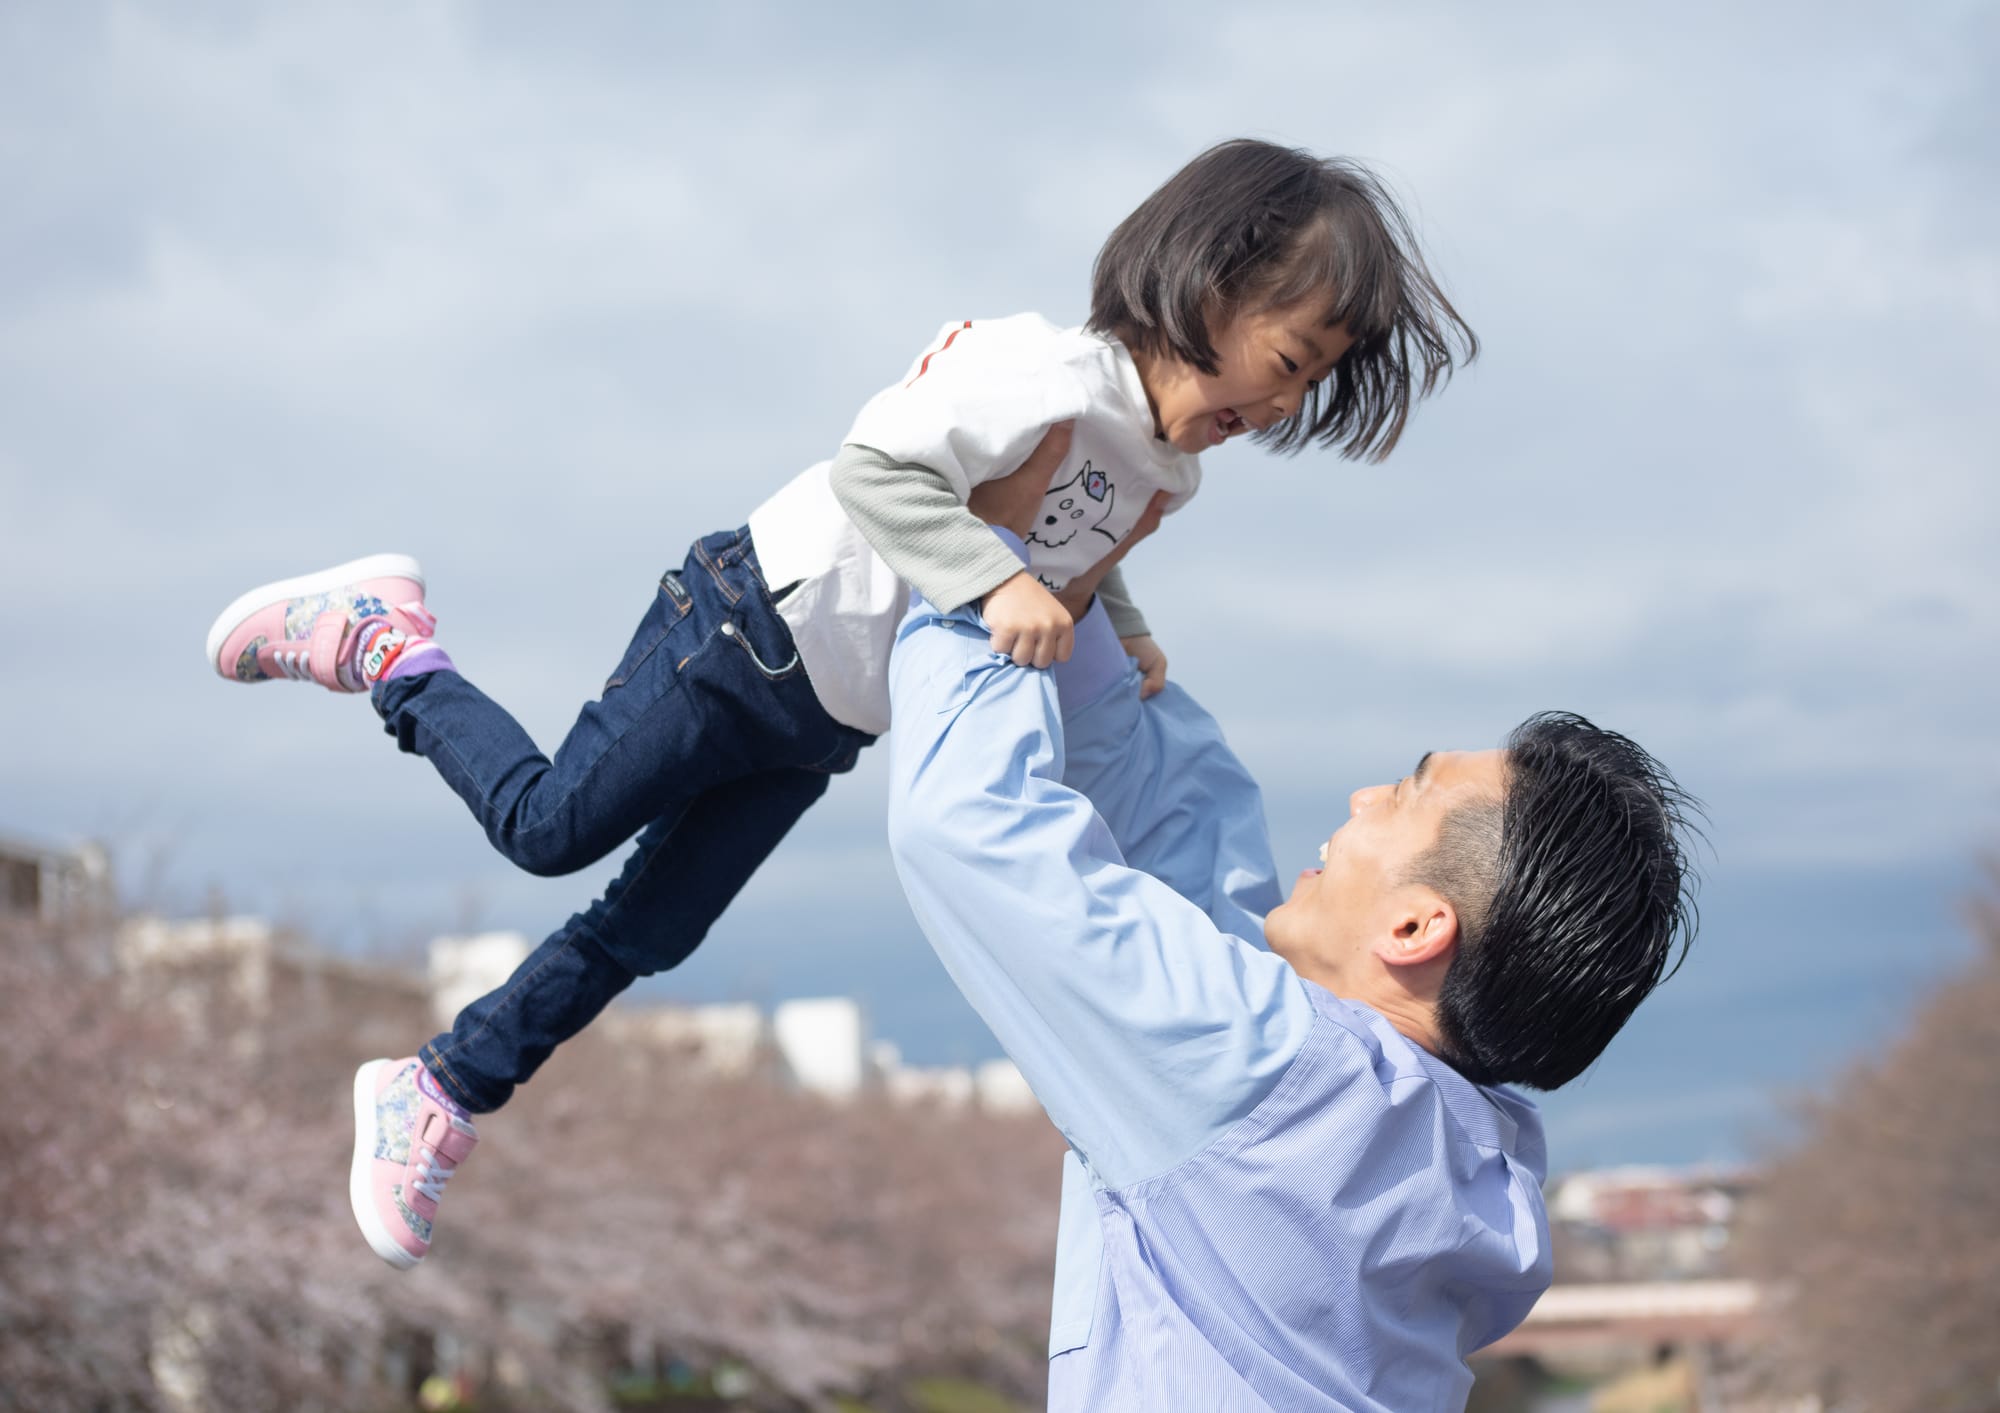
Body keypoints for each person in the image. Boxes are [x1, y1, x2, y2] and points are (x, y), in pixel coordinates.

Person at [200, 138, 1476, 1270]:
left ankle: (443, 1087)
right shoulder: (1034, 369)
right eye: (1287, 361)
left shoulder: (1164, 473)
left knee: (655, 930)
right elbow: (877, 472)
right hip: (748, 628)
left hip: (826, 716)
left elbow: (1074, 545)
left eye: (1306, 389)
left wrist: (1123, 629)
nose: (1278, 408)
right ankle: (383, 647)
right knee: (547, 830)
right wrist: (991, 587)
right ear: (1210, 285)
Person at [884, 447, 1701, 1411]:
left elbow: (972, 829)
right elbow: (1189, 846)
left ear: (1413, 925)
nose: (1360, 797)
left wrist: (978, 558)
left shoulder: (1273, 1085)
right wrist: (1074, 584)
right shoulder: (1455, 1148)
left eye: (1403, 794)